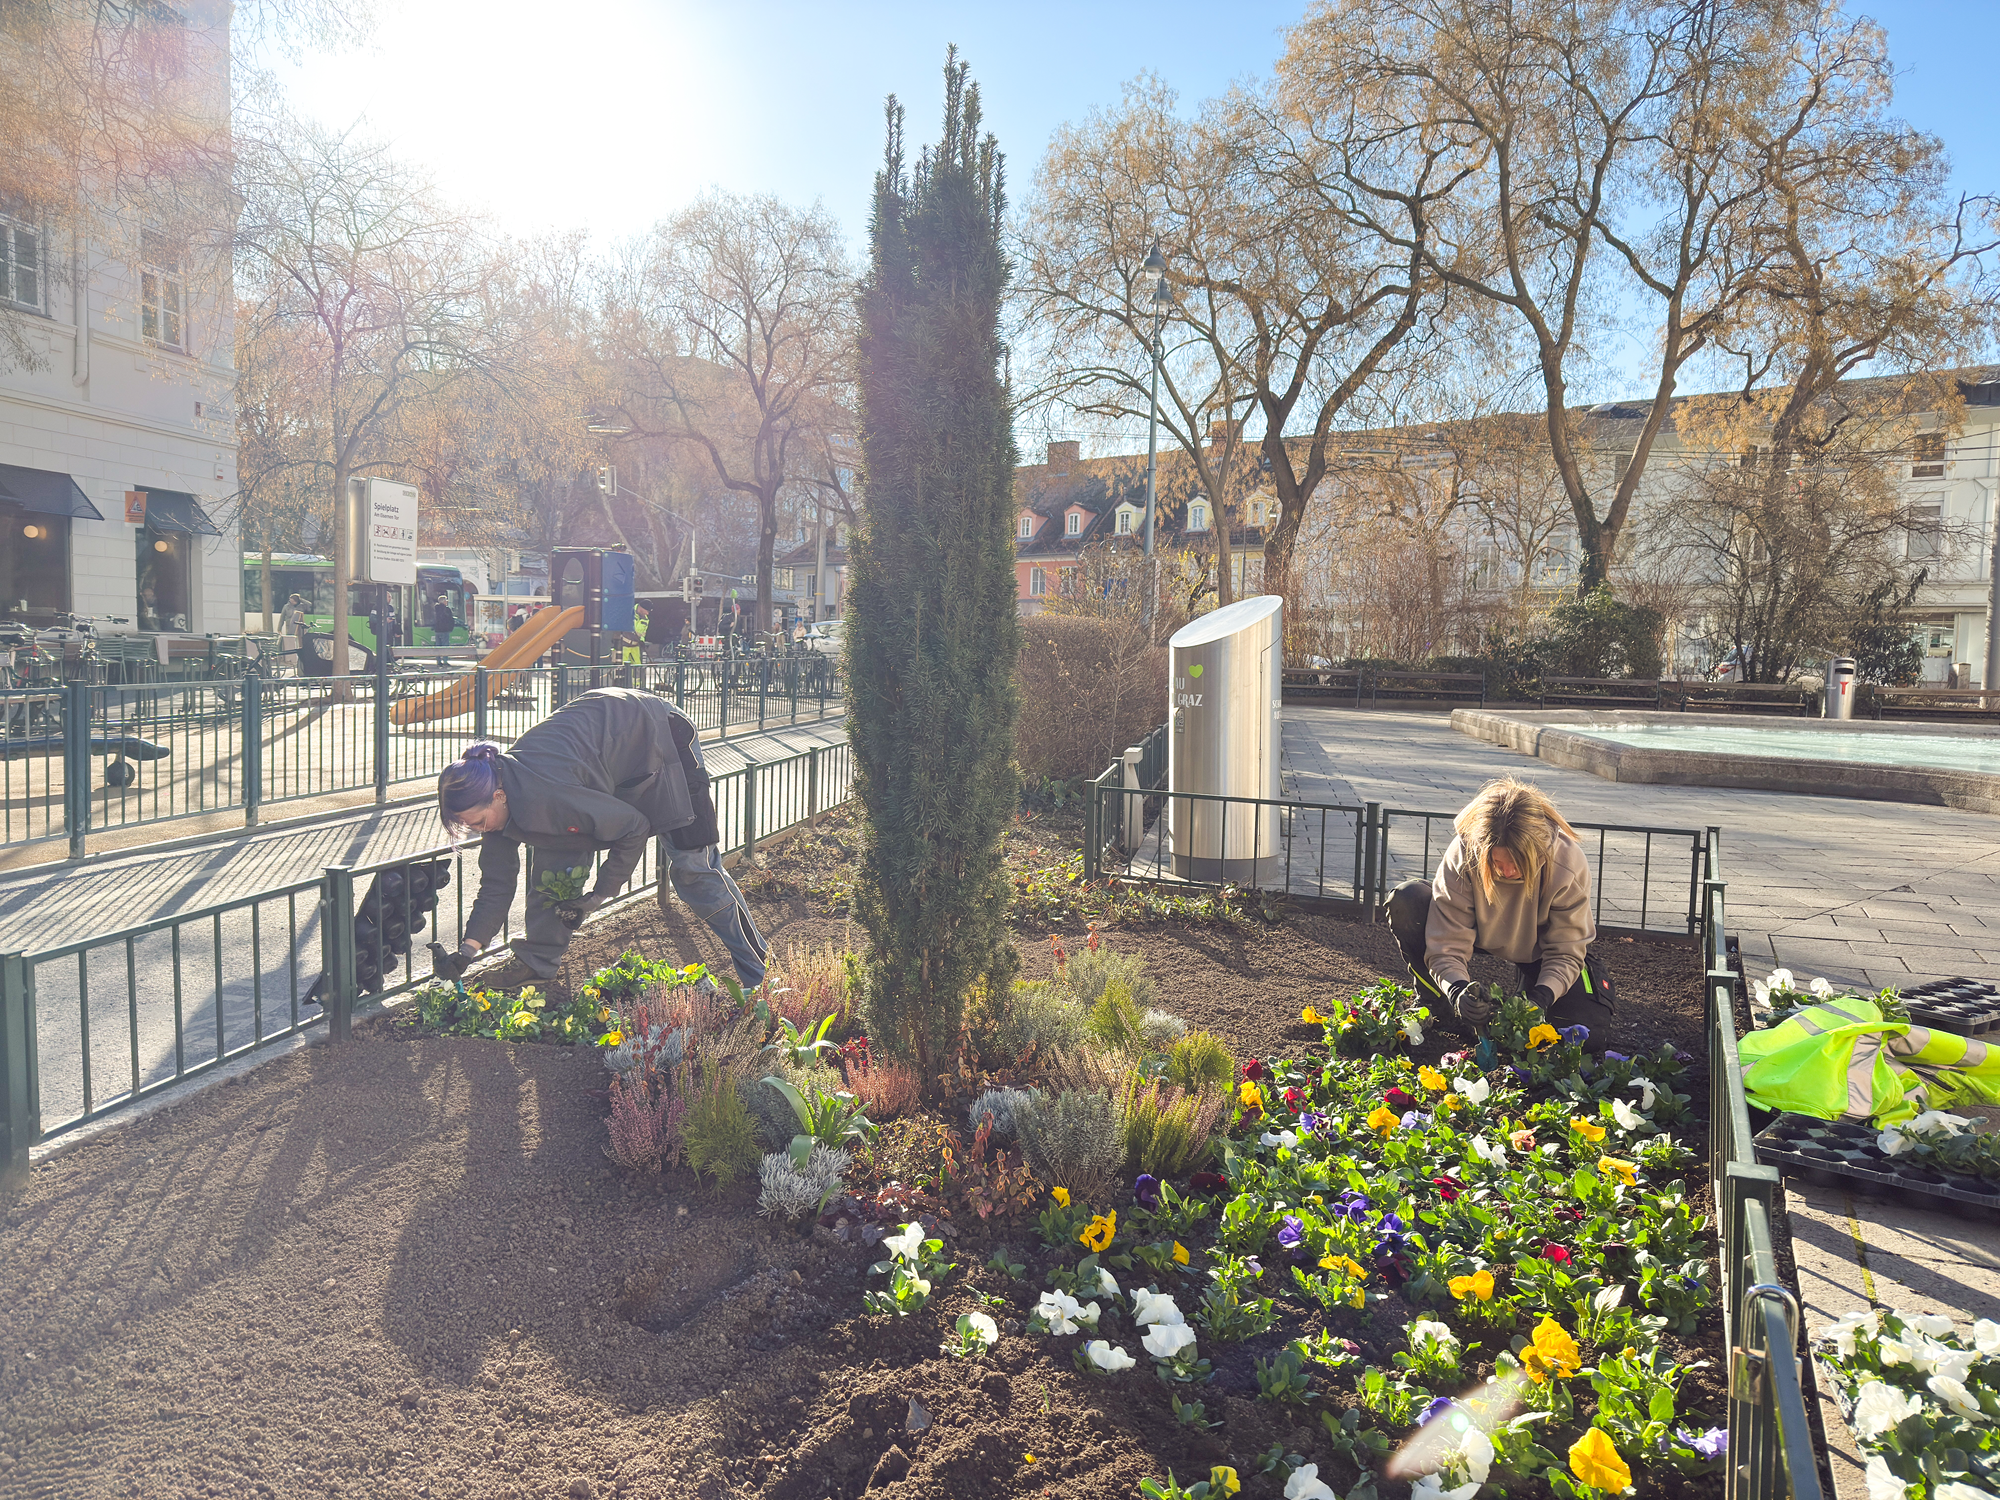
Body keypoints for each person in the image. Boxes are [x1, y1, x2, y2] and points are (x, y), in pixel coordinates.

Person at [430, 687, 767, 991]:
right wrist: (465, 953)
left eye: (477, 822)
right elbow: (496, 886)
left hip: (661, 734)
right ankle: (538, 960)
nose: (480, 831)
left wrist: (598, 896)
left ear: (498, 795)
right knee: (556, 870)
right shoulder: (498, 803)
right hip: (609, 761)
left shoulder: (549, 792)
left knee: (695, 868)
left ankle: (763, 973)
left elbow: (631, 827)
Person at [1385, 777, 1614, 1036]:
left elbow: (1566, 950)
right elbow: (1445, 942)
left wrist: (1541, 997)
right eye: (1497, 862)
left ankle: (1529, 985)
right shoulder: (1464, 854)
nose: (1507, 872)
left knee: (1586, 1035)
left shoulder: (1567, 864)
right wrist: (1458, 990)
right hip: (1477, 932)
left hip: (1539, 949)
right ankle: (1435, 1000)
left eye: (1517, 863)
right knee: (1408, 899)